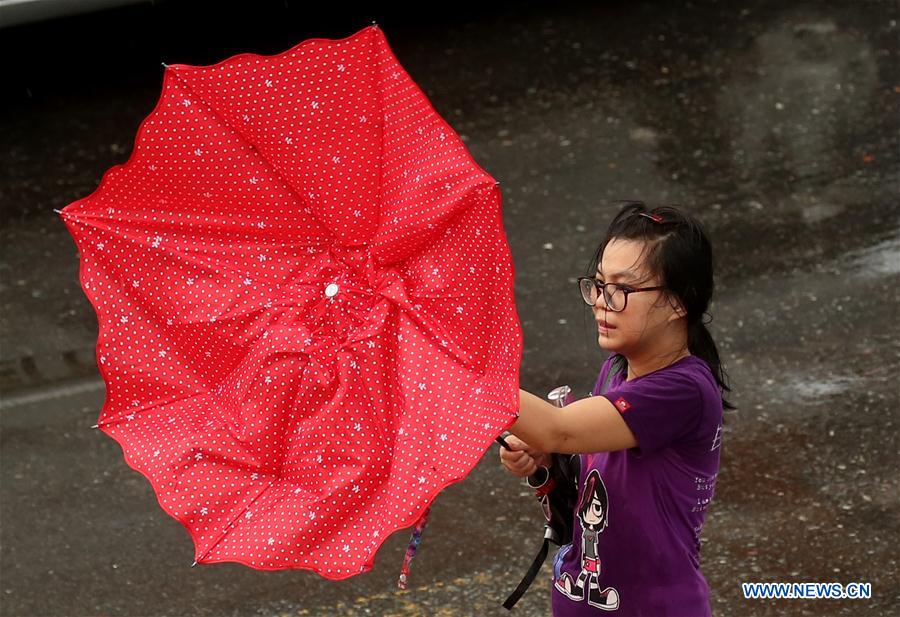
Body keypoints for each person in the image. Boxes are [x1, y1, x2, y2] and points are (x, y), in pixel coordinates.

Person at [501, 201, 735, 616]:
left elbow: (560, 429)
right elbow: (584, 459)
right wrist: (546, 458)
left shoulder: (683, 390)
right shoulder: (616, 369)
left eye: (622, 290)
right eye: (598, 284)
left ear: (679, 301)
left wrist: (461, 374)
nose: (601, 302)